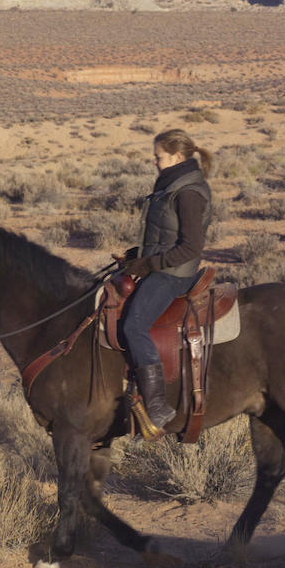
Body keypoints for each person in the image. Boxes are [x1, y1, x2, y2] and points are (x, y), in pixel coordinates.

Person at [115, 128, 213, 432]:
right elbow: (163, 237)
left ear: (176, 156)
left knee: (134, 324)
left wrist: (148, 265)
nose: (155, 162)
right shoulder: (170, 186)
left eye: (158, 157)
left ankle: (157, 405)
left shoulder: (188, 192)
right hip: (161, 267)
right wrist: (134, 257)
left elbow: (190, 248)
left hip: (175, 275)